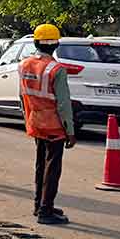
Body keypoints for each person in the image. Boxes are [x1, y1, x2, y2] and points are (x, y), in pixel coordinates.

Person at [19, 23, 76, 225]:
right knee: (52, 168)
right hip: (53, 126)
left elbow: (22, 96)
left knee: (40, 164)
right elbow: (63, 103)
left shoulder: (24, 65)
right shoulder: (56, 69)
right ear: (56, 44)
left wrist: (27, 118)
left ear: (36, 43)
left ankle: (40, 204)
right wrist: (70, 130)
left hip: (35, 121)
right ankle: (45, 211)